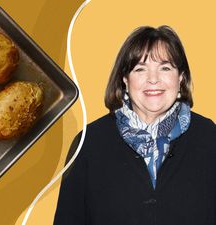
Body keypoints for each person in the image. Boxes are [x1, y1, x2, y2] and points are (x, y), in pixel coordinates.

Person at [53, 25, 216, 225]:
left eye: (165, 68)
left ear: (181, 78)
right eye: (140, 69)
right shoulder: (88, 143)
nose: (153, 79)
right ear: (125, 80)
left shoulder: (209, 137)